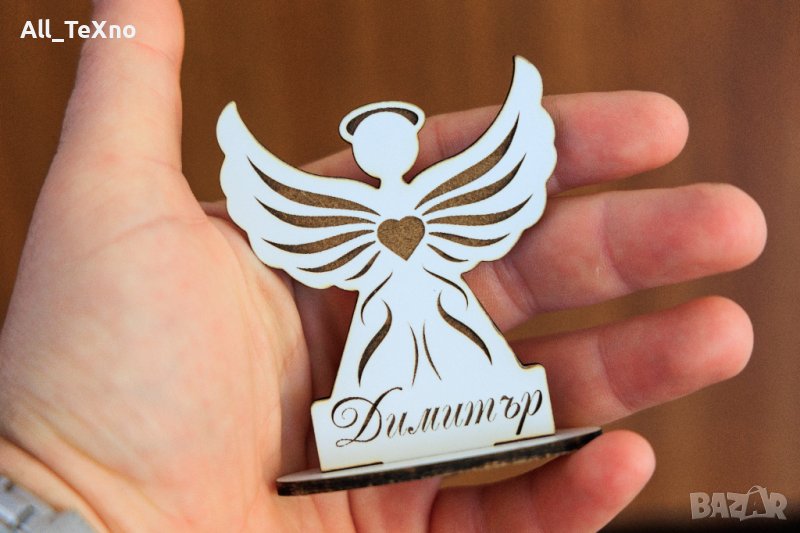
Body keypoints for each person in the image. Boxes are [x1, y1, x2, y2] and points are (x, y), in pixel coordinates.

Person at [0, 1, 766, 531]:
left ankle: (478, 404)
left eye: (389, 145)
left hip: (433, 292)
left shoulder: (441, 198)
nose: (384, 155)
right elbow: (284, 202)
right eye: (376, 147)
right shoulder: (349, 215)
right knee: (380, 350)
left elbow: (500, 166)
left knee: (461, 335)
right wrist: (73, 484)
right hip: (383, 306)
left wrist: (64, 491)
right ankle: (385, 417)